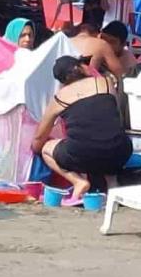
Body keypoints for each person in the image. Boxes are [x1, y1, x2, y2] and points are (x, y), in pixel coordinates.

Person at [32, 55, 133, 203]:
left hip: (83, 154)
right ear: (80, 67)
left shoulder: (60, 97)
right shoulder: (105, 82)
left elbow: (39, 138)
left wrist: (35, 150)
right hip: (120, 152)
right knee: (108, 137)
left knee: (46, 148)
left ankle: (79, 182)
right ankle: (113, 185)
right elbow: (111, 118)